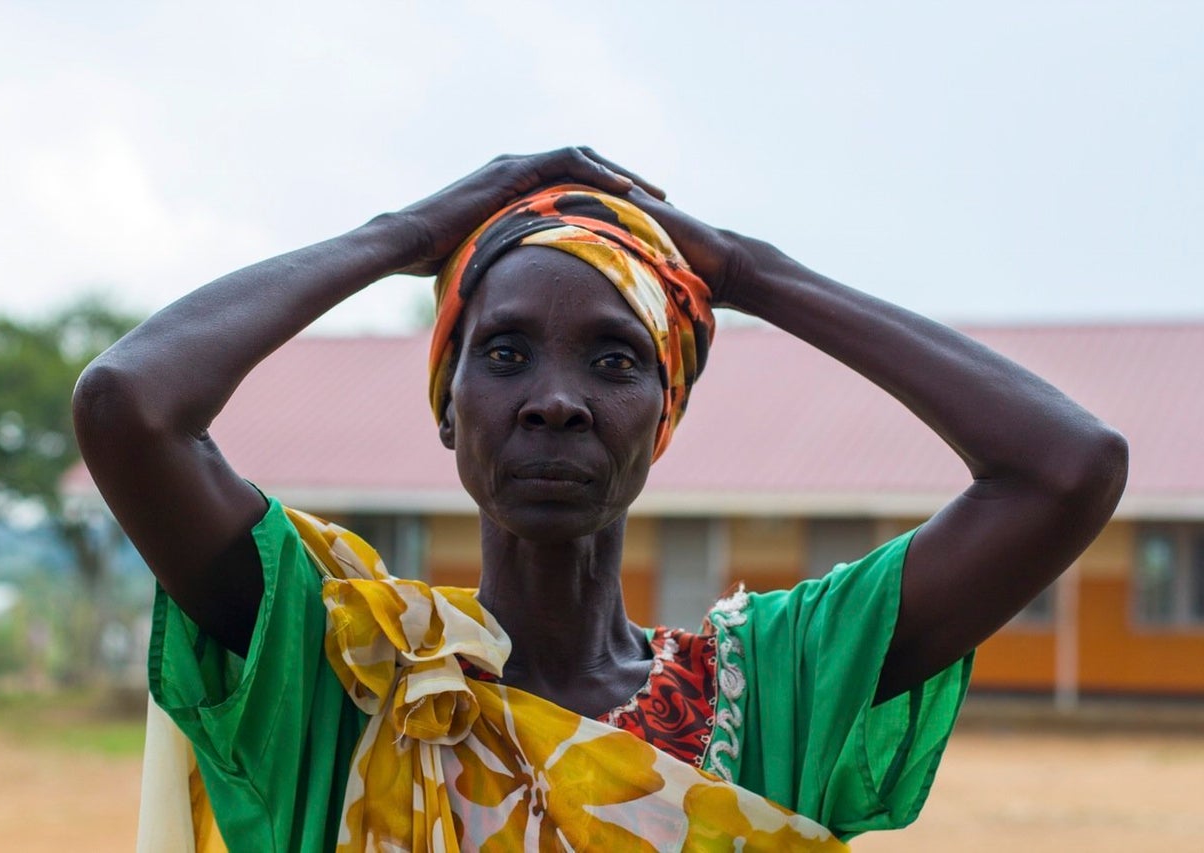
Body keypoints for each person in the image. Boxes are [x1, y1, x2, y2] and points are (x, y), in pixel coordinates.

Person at [73, 148, 1128, 851]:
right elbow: (129, 407)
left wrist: (746, 270)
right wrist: (410, 231)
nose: (555, 401)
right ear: (448, 405)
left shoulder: (772, 687)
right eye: (502, 351)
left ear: (660, 420)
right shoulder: (343, 661)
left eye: (616, 360)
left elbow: (1064, 466)